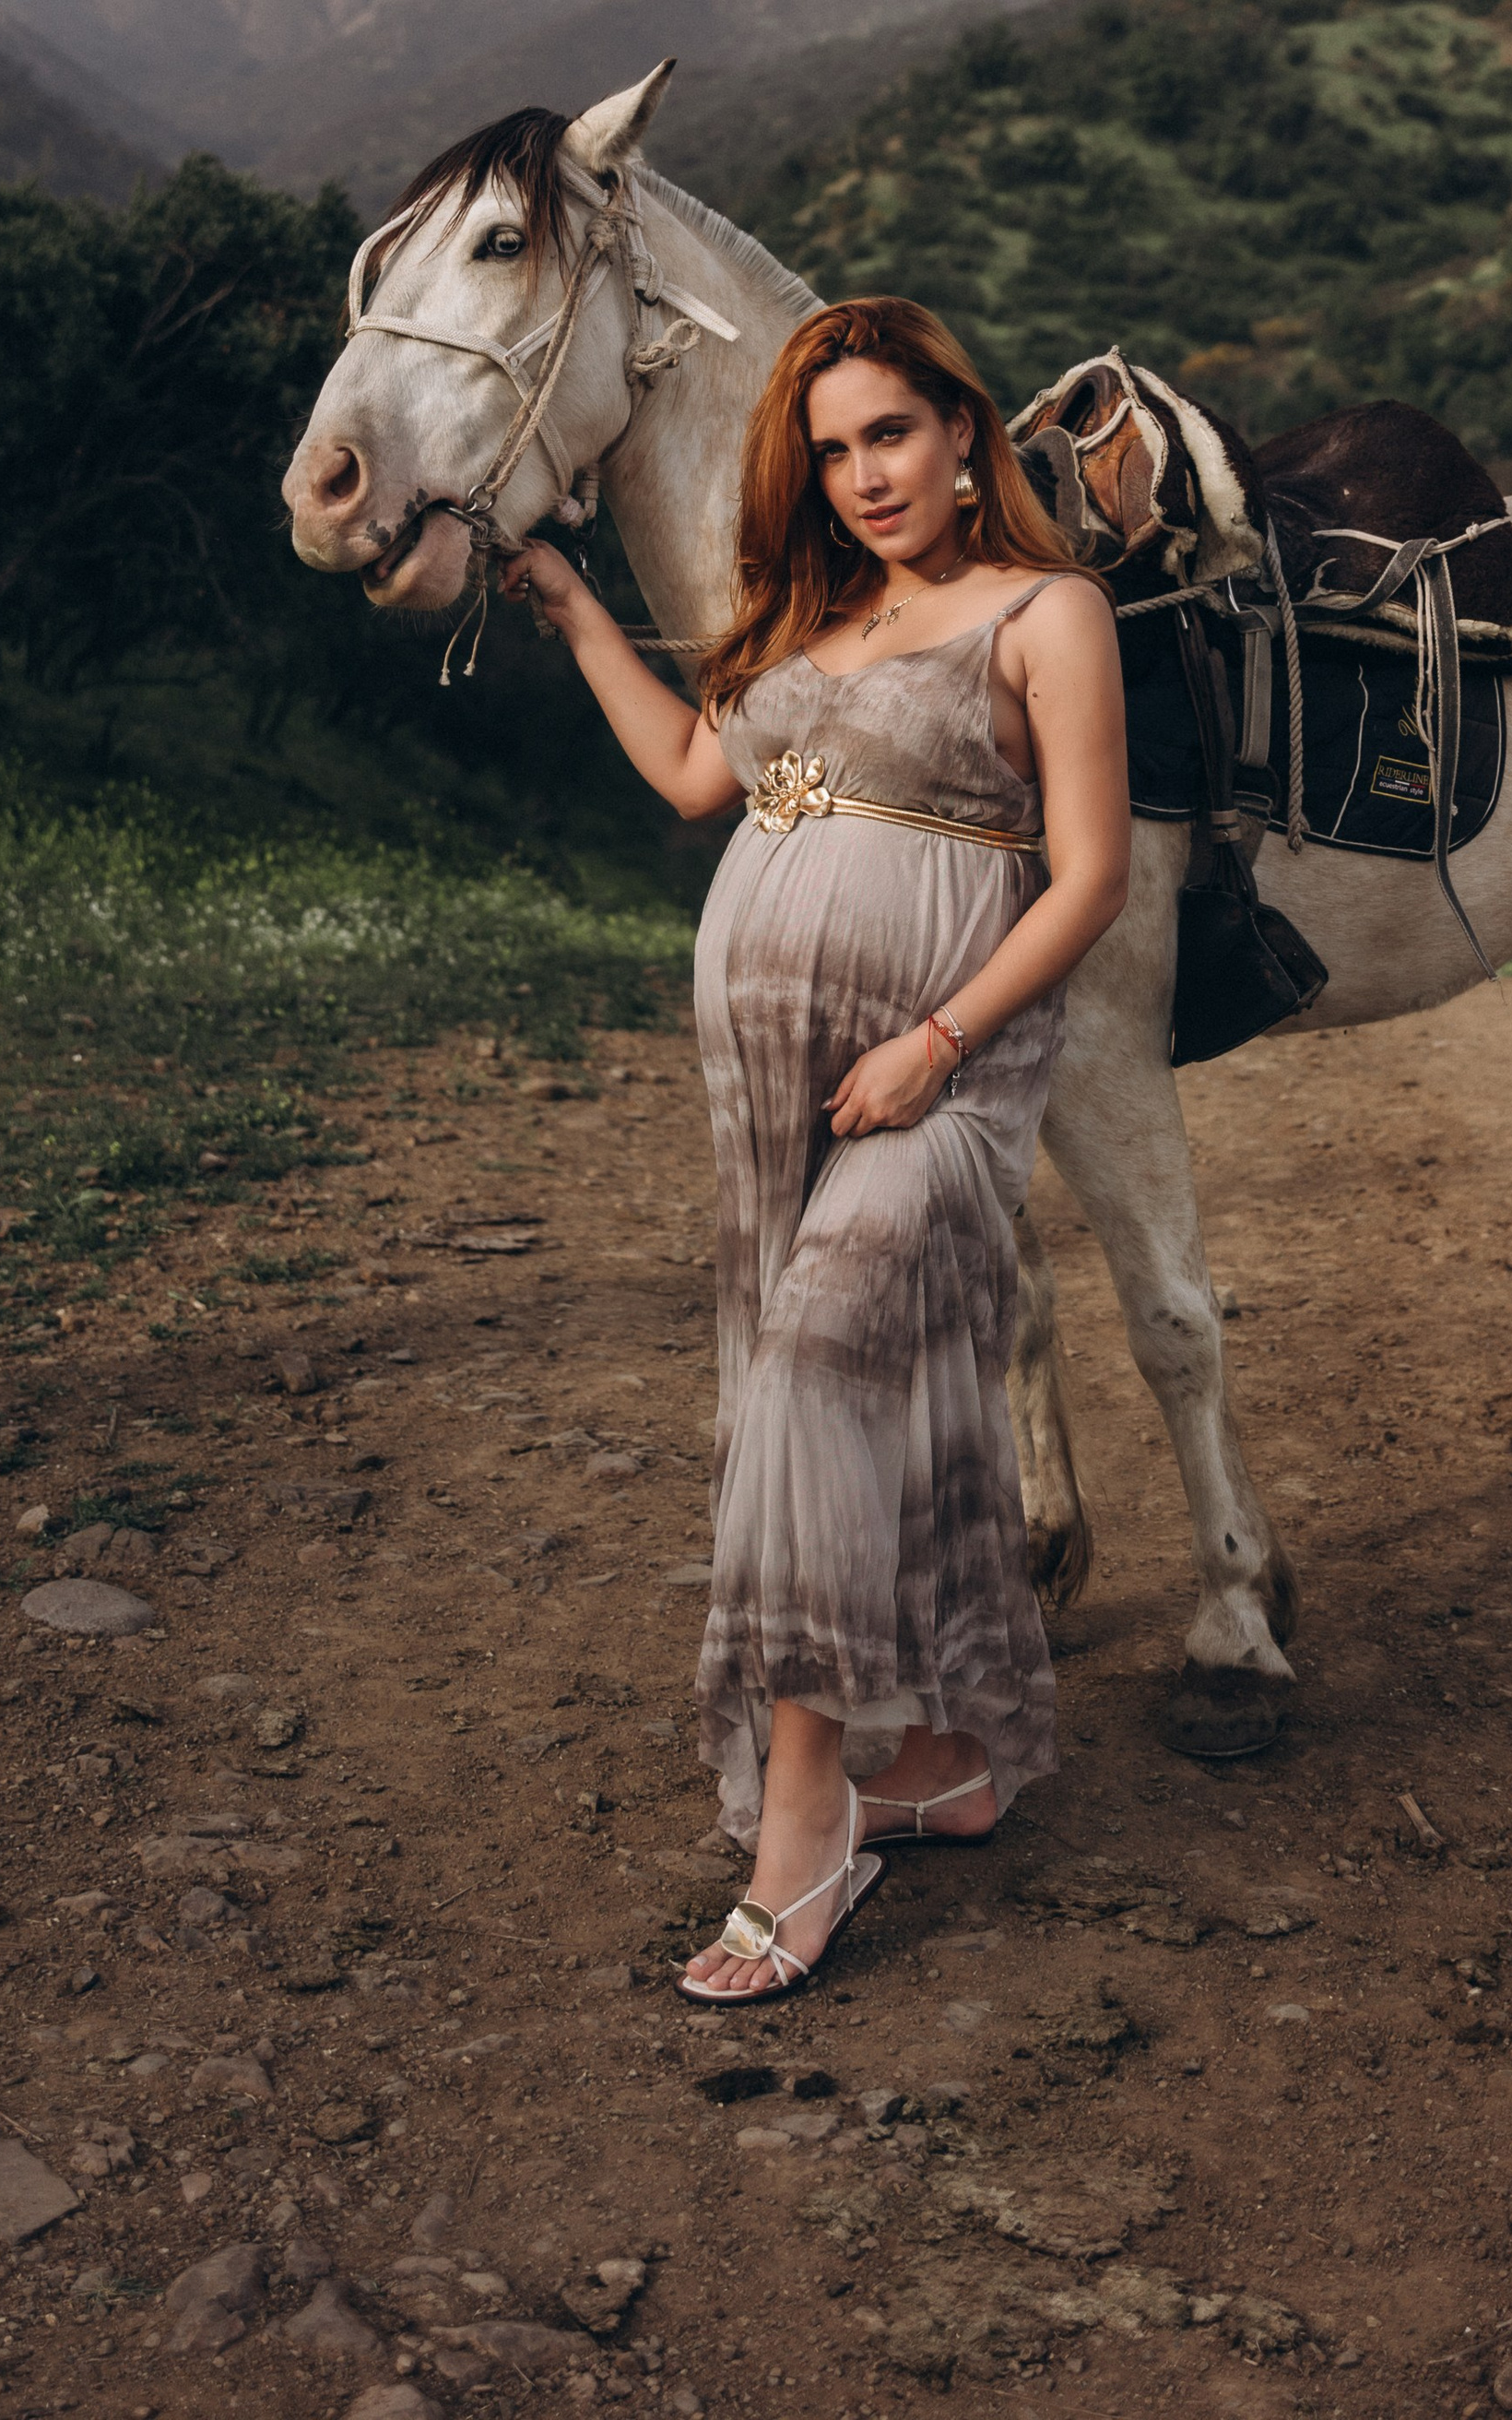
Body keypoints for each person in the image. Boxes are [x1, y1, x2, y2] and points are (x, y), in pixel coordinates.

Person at [509, 295, 1129, 2003]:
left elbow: (1088, 878)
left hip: (943, 1079)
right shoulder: (803, 623)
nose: (866, 476)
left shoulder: (1045, 612)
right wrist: (573, 611)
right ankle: (942, 1754)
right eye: (835, 448)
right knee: (879, 1401)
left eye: (894, 435)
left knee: (803, 1389)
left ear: (961, 432)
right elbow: (696, 782)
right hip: (775, 1102)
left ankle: (809, 1825)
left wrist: (935, 1045)